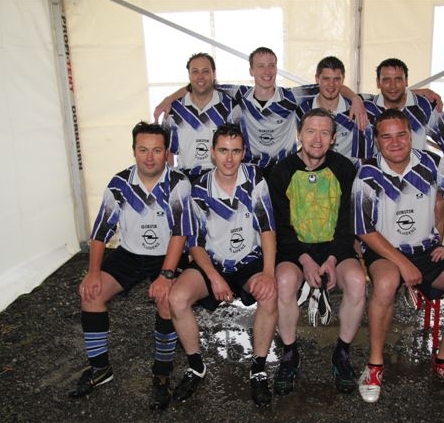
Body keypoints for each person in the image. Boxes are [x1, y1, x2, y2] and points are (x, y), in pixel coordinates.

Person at [352, 109, 444, 403]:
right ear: (377, 140)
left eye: (401, 134)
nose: (395, 142)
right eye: (386, 136)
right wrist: (403, 264)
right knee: (386, 284)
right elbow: (363, 229)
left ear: (411, 136)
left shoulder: (432, 164)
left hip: (426, 250)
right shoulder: (367, 173)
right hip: (385, 251)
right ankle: (375, 365)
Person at [68, 121, 195, 411]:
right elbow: (100, 232)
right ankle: (100, 369)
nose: (149, 157)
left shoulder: (179, 183)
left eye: (156, 150)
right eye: (143, 150)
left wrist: (166, 275)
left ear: (166, 153)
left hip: (168, 254)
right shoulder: (120, 184)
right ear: (134, 150)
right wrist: (93, 273)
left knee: (166, 299)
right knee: (91, 294)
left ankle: (161, 375)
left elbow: (180, 232)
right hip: (129, 253)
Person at [168, 123, 278, 406]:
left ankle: (258, 369)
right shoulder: (199, 188)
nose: (229, 159)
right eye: (223, 151)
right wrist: (214, 277)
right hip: (213, 262)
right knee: (177, 298)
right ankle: (196, 366)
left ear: (244, 153)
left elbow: (267, 229)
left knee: (270, 294)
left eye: (236, 151)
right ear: (212, 152)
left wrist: (268, 273)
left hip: (249, 261)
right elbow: (194, 243)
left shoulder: (255, 179)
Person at [268, 108, 367, 395]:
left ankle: (342, 353)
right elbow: (280, 227)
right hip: (296, 249)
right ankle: (289, 353)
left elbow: (348, 222)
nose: (317, 139)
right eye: (311, 131)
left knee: (357, 281)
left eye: (325, 133)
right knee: (284, 281)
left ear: (333, 139)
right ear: (299, 135)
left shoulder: (345, 169)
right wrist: (306, 260)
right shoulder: (281, 171)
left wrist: (333, 259)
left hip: (335, 247)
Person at [154, 47, 369, 178]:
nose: (267, 71)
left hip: (284, 169)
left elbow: (329, 85)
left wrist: (355, 99)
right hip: (251, 169)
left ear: (276, 68)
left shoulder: (290, 97)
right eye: (261, 66)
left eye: (271, 66)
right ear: (251, 70)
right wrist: (169, 99)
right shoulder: (240, 94)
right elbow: (202, 84)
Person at [363, 58, 444, 239]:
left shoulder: (424, 106)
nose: (392, 86)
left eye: (398, 79)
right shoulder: (366, 107)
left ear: (406, 81)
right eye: (386, 80)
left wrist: (440, 180)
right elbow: (331, 90)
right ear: (378, 83)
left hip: (419, 178)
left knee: (438, 203)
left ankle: (436, 251)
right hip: (380, 180)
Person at [162, 53, 240, 183]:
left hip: (220, 178)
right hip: (186, 179)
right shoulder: (174, 110)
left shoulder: (230, 106)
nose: (200, 76)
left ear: (214, 73)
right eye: (195, 71)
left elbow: (238, 147)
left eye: (205, 71)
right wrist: (171, 182)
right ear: (189, 75)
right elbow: (167, 152)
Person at [296, 56, 374, 165]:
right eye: (326, 78)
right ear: (317, 79)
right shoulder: (302, 110)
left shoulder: (356, 110)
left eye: (337, 79)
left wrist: (356, 99)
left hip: (348, 172)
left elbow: (364, 156)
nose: (331, 84)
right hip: (311, 172)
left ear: (343, 80)